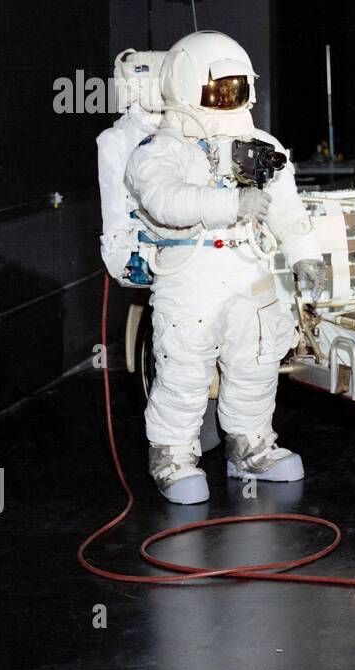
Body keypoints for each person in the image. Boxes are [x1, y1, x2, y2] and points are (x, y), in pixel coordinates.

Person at [124, 31, 327, 504]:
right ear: (185, 84)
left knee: (257, 362)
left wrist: (305, 253)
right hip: (191, 275)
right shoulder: (161, 148)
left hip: (247, 269)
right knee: (185, 371)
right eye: (218, 88)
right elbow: (165, 200)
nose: (228, 98)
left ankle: (250, 448)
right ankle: (173, 456)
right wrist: (231, 203)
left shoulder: (261, 145)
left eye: (236, 88)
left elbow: (286, 208)